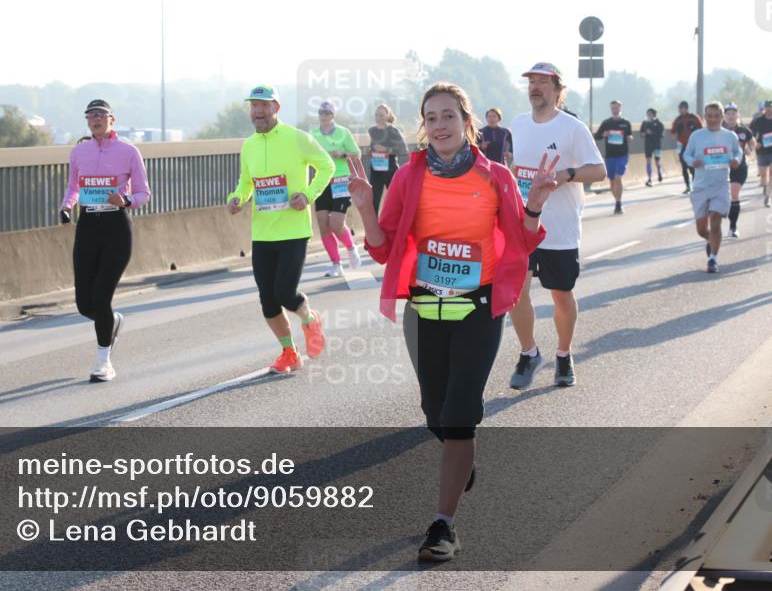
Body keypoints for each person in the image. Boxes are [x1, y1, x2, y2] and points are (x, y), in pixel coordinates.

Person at [346, 82, 558, 562]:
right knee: (435, 413)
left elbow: (522, 241)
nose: (440, 125)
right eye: (431, 118)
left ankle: (443, 525)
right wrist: (365, 207)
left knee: (460, 414)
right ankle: (460, 459)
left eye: (448, 116)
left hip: (476, 307)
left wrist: (535, 205)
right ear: (424, 126)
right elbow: (382, 249)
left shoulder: (495, 176)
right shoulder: (409, 176)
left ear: (467, 122)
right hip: (425, 307)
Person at [508, 62, 606, 389]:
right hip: (524, 224)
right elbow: (518, 167)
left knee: (561, 296)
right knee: (515, 291)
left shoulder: (572, 128)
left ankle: (564, 355)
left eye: (543, 82)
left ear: (558, 89)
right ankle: (529, 353)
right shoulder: (518, 124)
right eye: (531, 82)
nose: (535, 87)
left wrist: (565, 175)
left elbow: (598, 170)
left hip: (560, 228)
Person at [227, 85, 333, 373]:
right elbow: (246, 182)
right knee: (267, 300)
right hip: (263, 233)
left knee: (285, 293)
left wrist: (308, 195)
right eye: (254, 106)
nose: (258, 111)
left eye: (264, 105)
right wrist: (237, 198)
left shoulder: (298, 138)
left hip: (293, 231)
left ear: (276, 108)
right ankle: (289, 353)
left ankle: (310, 320)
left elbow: (326, 166)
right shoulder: (249, 145)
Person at [60, 99, 151, 382]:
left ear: (112, 119)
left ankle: (104, 362)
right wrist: (66, 207)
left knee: (101, 297)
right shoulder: (79, 151)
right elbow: (73, 187)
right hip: (88, 226)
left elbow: (144, 193)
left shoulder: (129, 151)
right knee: (84, 304)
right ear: (87, 121)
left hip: (116, 228)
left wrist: (126, 200)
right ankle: (112, 320)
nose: (96, 119)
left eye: (101, 115)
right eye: (91, 116)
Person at [683, 102, 743, 273]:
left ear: (722, 117)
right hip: (701, 186)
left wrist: (736, 160)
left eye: (716, 116)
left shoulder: (730, 136)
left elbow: (738, 152)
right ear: (705, 117)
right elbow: (687, 154)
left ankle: (713, 259)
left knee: (715, 219)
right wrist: (692, 162)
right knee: (702, 230)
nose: (713, 119)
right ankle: (711, 239)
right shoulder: (697, 136)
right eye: (709, 116)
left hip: (720, 185)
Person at [309, 101, 363, 277]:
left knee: (336, 223)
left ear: (333, 115)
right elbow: (307, 155)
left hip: (341, 180)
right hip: (322, 181)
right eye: (321, 113)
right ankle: (336, 264)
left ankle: (351, 248)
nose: (323, 116)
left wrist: (343, 154)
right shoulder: (313, 134)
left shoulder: (343, 133)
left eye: (327, 113)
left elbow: (357, 154)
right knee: (323, 224)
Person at [367, 104, 408, 214]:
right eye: (376, 115)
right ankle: (374, 224)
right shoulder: (372, 130)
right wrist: (371, 151)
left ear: (387, 116)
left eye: (381, 115)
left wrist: (386, 149)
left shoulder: (393, 131)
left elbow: (403, 150)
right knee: (373, 202)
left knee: (396, 200)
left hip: (391, 171)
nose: (378, 117)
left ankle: (401, 222)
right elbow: (373, 147)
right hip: (376, 170)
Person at [594, 100, 633, 213]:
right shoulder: (606, 123)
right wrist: (604, 134)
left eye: (616, 108)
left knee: (618, 177)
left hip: (622, 154)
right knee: (612, 181)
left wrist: (629, 138)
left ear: (620, 108)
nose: (615, 110)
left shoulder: (626, 123)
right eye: (613, 108)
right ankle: (617, 201)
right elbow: (597, 136)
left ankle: (619, 203)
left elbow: (630, 135)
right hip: (610, 155)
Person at [723, 102, 754, 238]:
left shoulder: (744, 130)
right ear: (724, 116)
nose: (731, 116)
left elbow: (752, 143)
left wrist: (749, 149)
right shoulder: (718, 131)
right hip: (722, 168)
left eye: (733, 113)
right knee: (724, 197)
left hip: (739, 167)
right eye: (728, 114)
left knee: (734, 194)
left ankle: (733, 226)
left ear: (738, 115)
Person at [751, 99, 772, 207]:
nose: (769, 110)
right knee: (763, 176)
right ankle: (765, 187)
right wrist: (755, 142)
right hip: (762, 151)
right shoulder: (758, 120)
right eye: (767, 108)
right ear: (764, 109)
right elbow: (751, 134)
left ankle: (768, 197)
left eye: (771, 108)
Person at [671, 101, 704, 194]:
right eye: (679, 108)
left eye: (681, 108)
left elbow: (702, 129)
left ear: (686, 108)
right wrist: (677, 138)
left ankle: (695, 184)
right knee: (684, 166)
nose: (680, 110)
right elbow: (673, 133)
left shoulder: (694, 118)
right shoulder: (677, 120)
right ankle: (687, 186)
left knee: (692, 166)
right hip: (683, 145)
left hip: (694, 145)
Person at [640, 108, 665, 187]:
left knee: (657, 161)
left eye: (649, 113)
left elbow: (662, 135)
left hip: (657, 145)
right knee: (648, 161)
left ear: (653, 114)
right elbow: (641, 133)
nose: (648, 115)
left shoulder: (659, 123)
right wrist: (644, 134)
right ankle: (649, 178)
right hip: (648, 144)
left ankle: (659, 172)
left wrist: (652, 133)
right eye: (647, 114)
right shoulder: (644, 123)